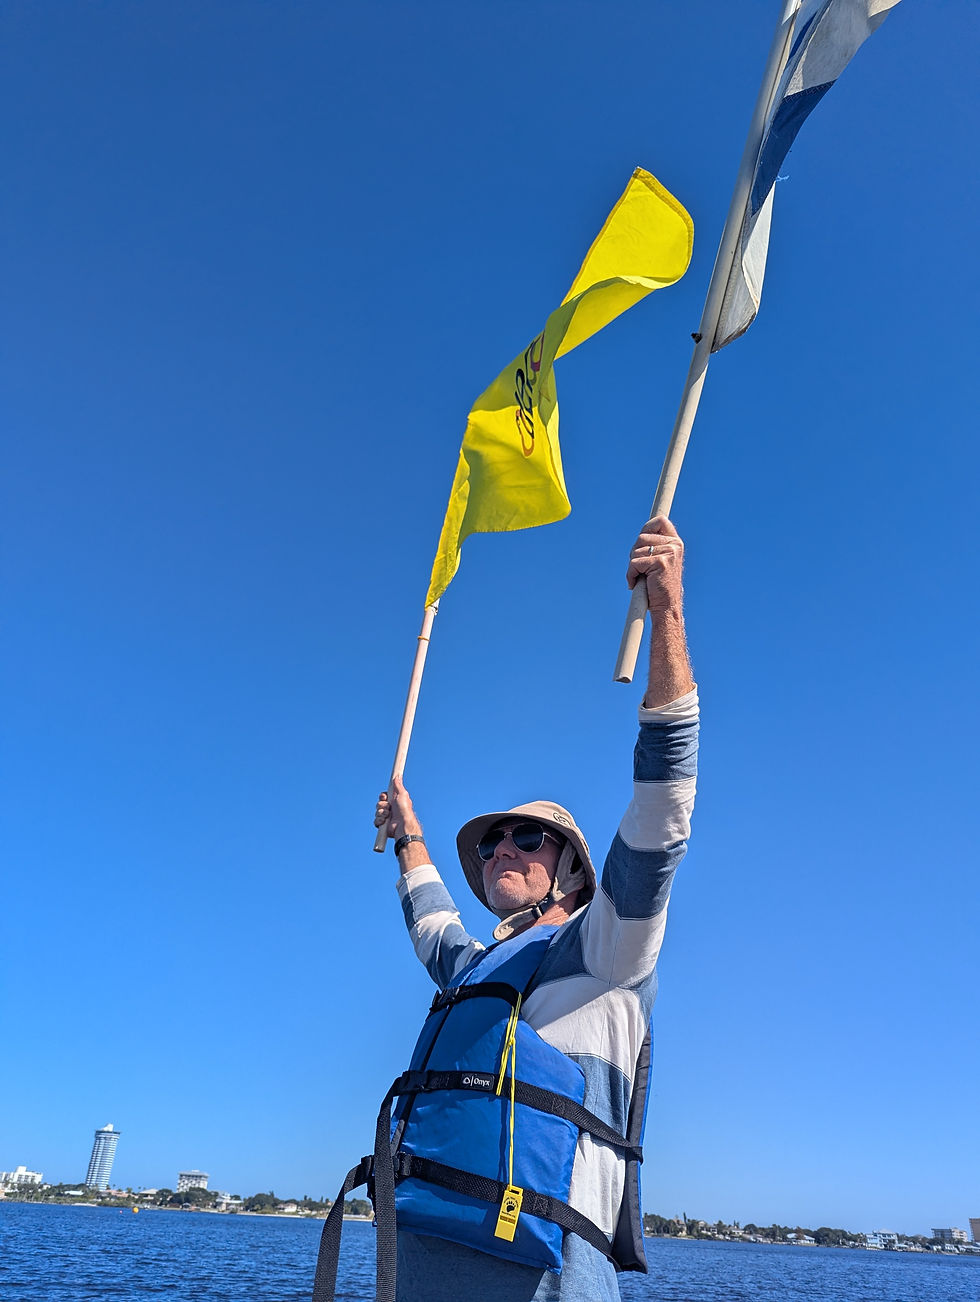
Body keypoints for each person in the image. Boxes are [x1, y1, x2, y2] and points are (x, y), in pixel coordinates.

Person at [314, 516, 698, 1302]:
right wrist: (409, 837)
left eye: (528, 837)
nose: (501, 851)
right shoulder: (476, 971)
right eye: (491, 845)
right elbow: (432, 922)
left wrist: (667, 615)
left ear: (576, 874)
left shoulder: (606, 954)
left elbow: (661, 816)